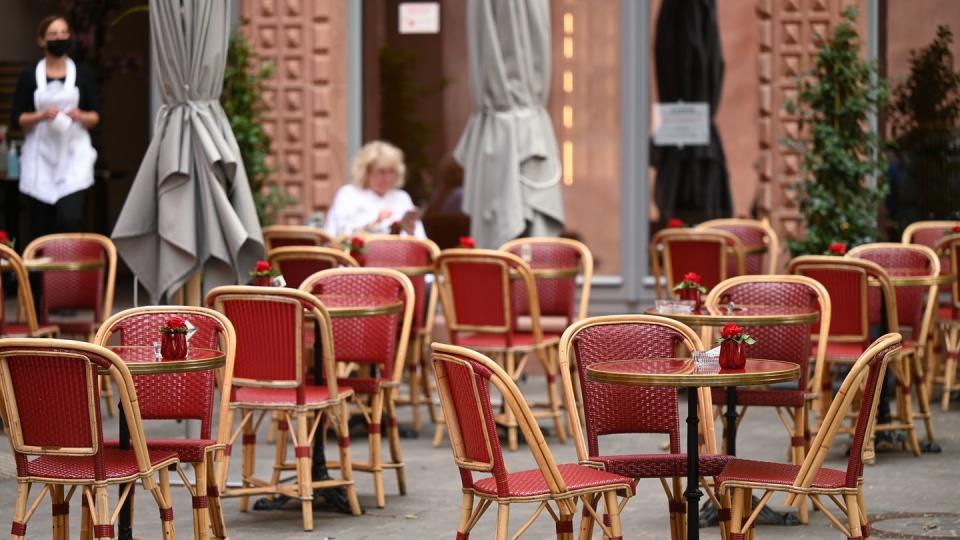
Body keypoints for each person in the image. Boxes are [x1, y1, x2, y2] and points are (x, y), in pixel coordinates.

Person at [10, 14, 99, 240]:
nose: (59, 38)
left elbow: (96, 117)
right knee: (40, 228)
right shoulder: (29, 76)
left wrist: (79, 115)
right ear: (42, 40)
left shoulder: (84, 74)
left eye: (63, 33)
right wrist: (41, 116)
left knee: (70, 219)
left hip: (73, 157)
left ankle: (68, 274)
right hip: (40, 160)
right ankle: (39, 276)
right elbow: (17, 118)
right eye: (53, 34)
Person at [325, 140, 426, 238]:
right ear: (366, 171)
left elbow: (420, 238)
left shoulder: (402, 198)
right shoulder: (348, 194)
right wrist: (376, 223)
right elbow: (340, 235)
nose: (388, 178)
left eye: (391, 172)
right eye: (381, 172)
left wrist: (410, 232)